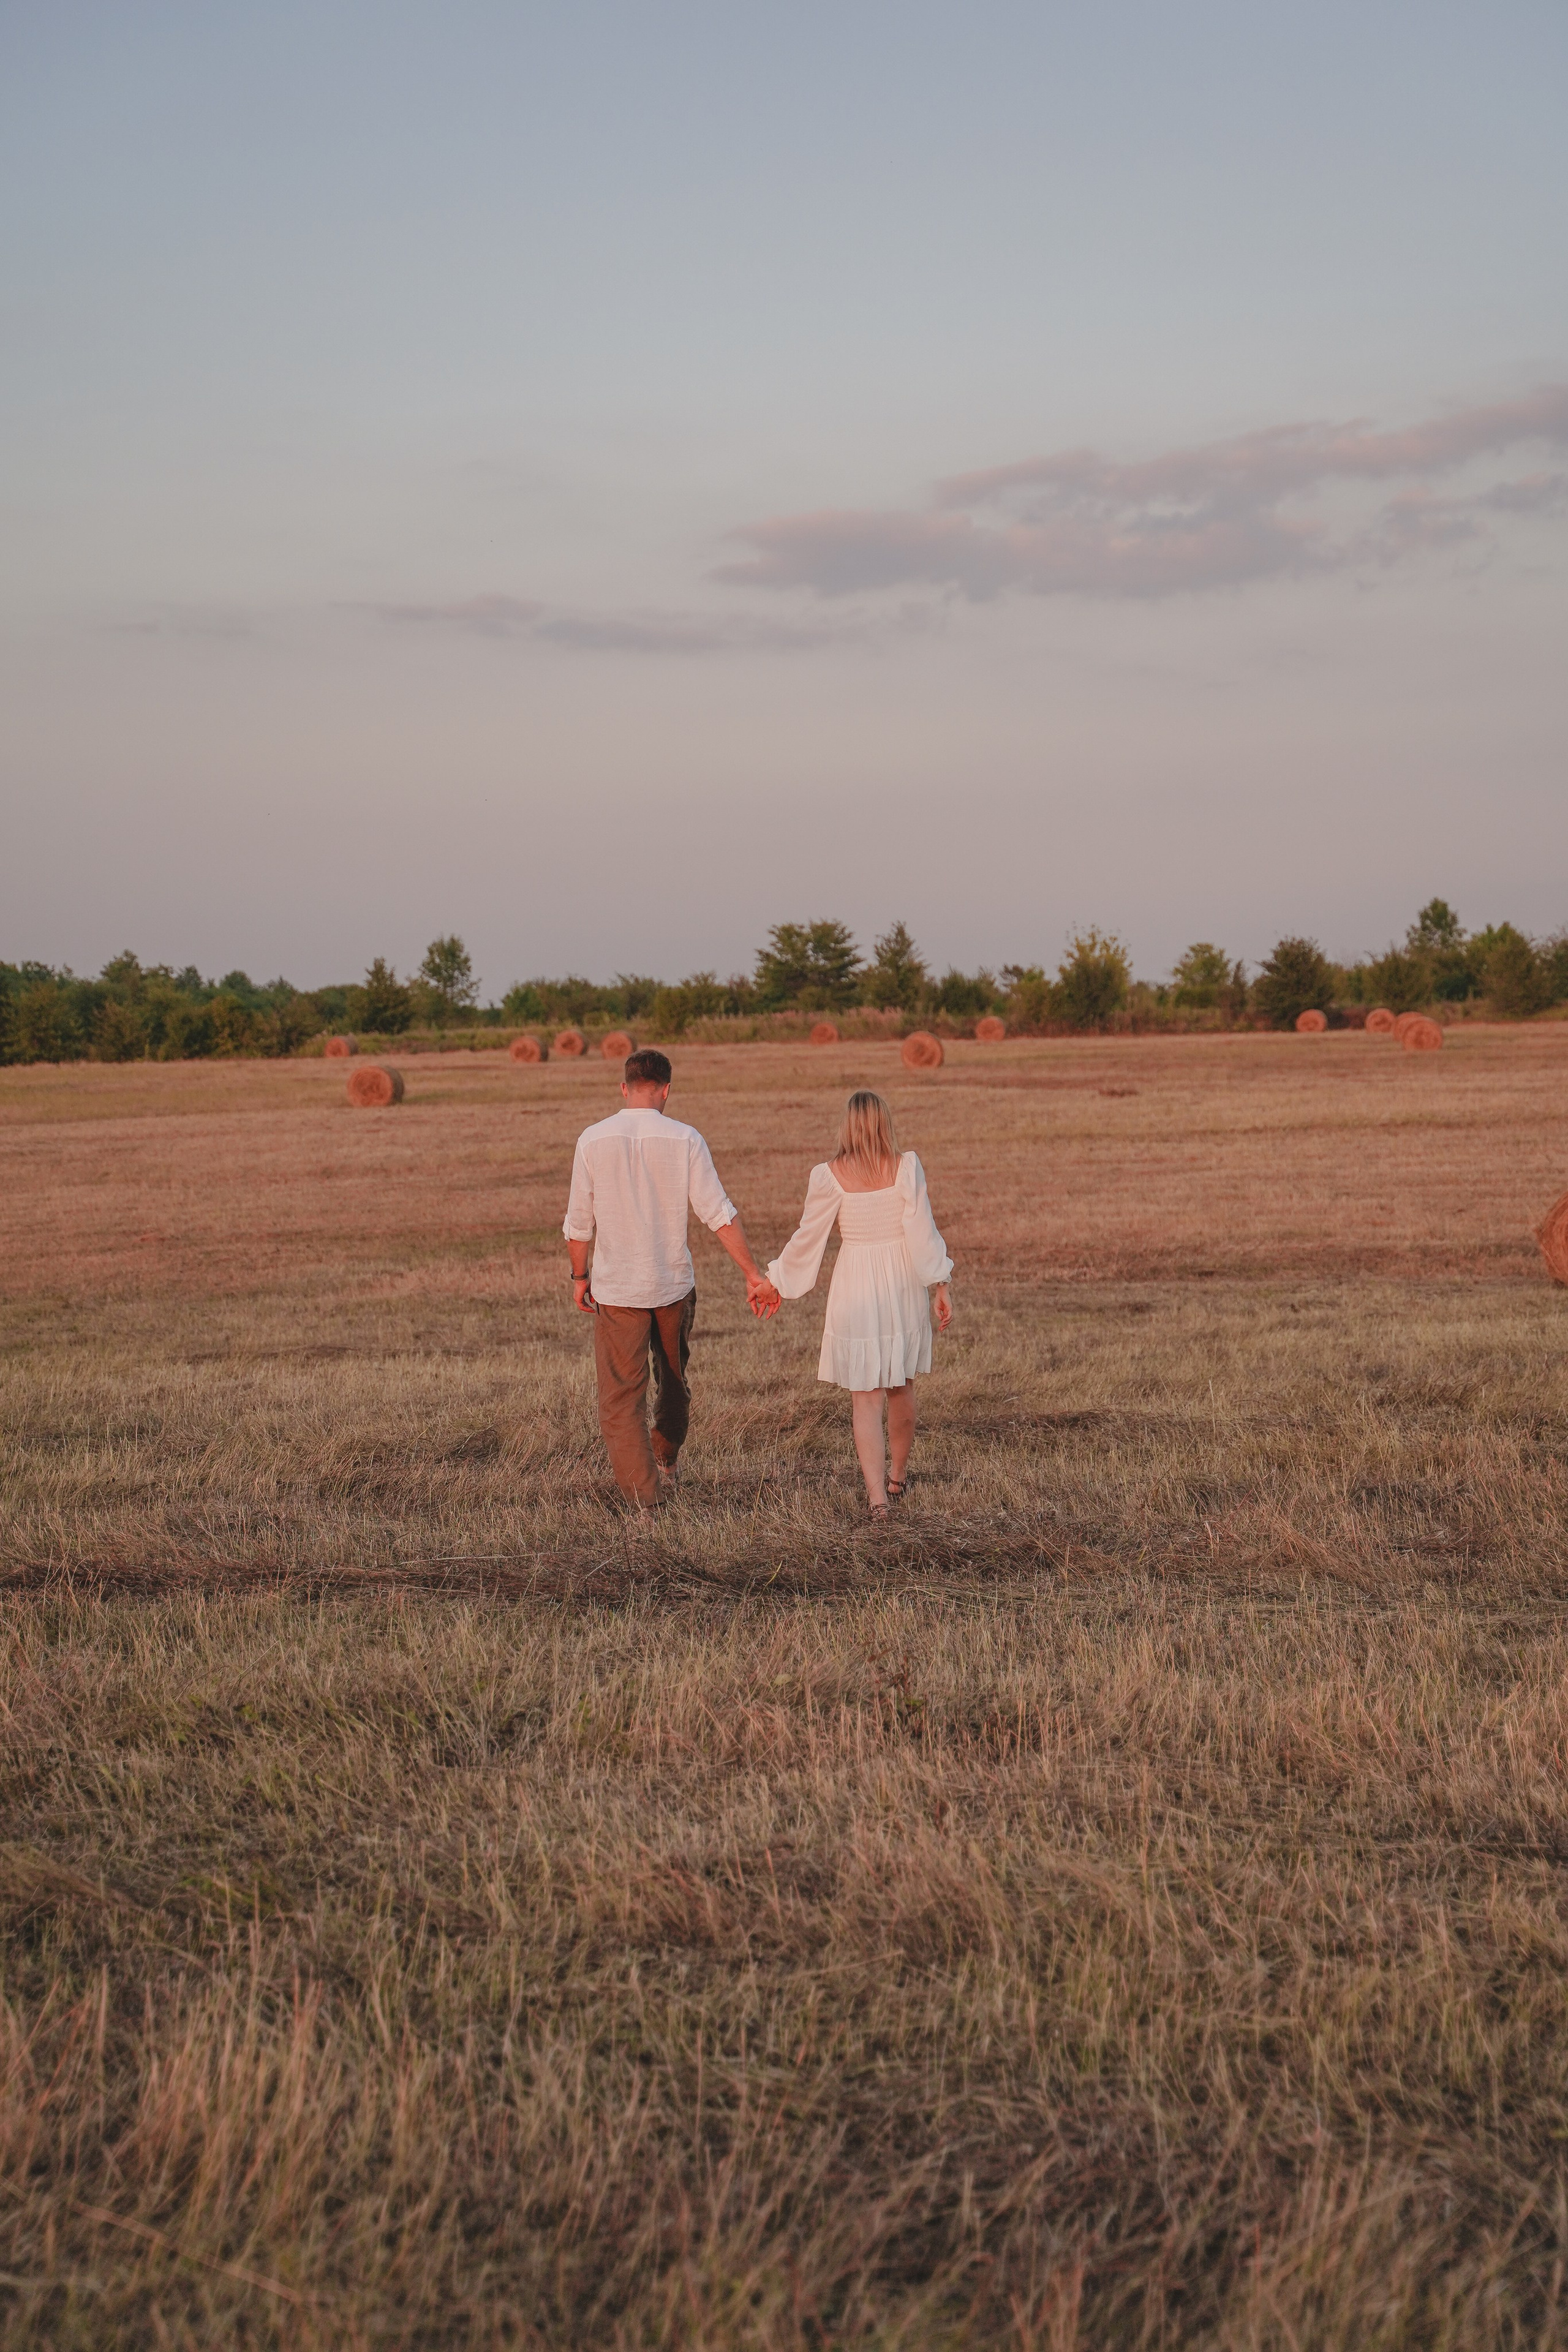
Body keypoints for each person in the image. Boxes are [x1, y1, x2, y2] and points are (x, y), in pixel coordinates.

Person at [564, 1048, 778, 1507]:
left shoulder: (593, 1138)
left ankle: (646, 1505)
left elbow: (579, 1224)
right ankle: (666, 1458)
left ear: (624, 1089)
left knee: (621, 1401)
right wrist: (751, 1274)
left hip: (617, 1290)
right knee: (674, 1380)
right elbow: (719, 1214)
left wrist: (580, 1276)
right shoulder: (685, 1138)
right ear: (666, 1090)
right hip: (672, 1286)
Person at [767, 1089, 952, 1518]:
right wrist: (941, 1283)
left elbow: (807, 1238)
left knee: (865, 1398)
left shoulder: (829, 1175)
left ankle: (878, 1501)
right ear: (885, 1121)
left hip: (856, 1284)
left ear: (847, 1125)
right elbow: (923, 1232)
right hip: (902, 1281)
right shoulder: (907, 1166)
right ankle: (898, 1475)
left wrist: (775, 1280)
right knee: (901, 1385)